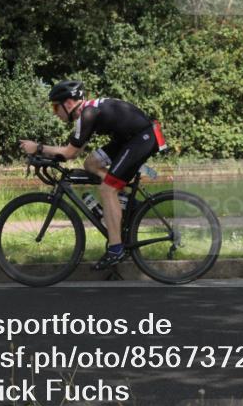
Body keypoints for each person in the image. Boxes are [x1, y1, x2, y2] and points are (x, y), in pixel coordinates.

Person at [19, 79, 166, 270]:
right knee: (91, 163)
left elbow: (69, 153)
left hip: (142, 138)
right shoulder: (88, 113)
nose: (55, 113)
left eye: (55, 107)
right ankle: (122, 199)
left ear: (69, 103)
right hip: (129, 138)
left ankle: (116, 249)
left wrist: (38, 148)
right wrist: (43, 153)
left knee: (107, 190)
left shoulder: (88, 114)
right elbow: (76, 153)